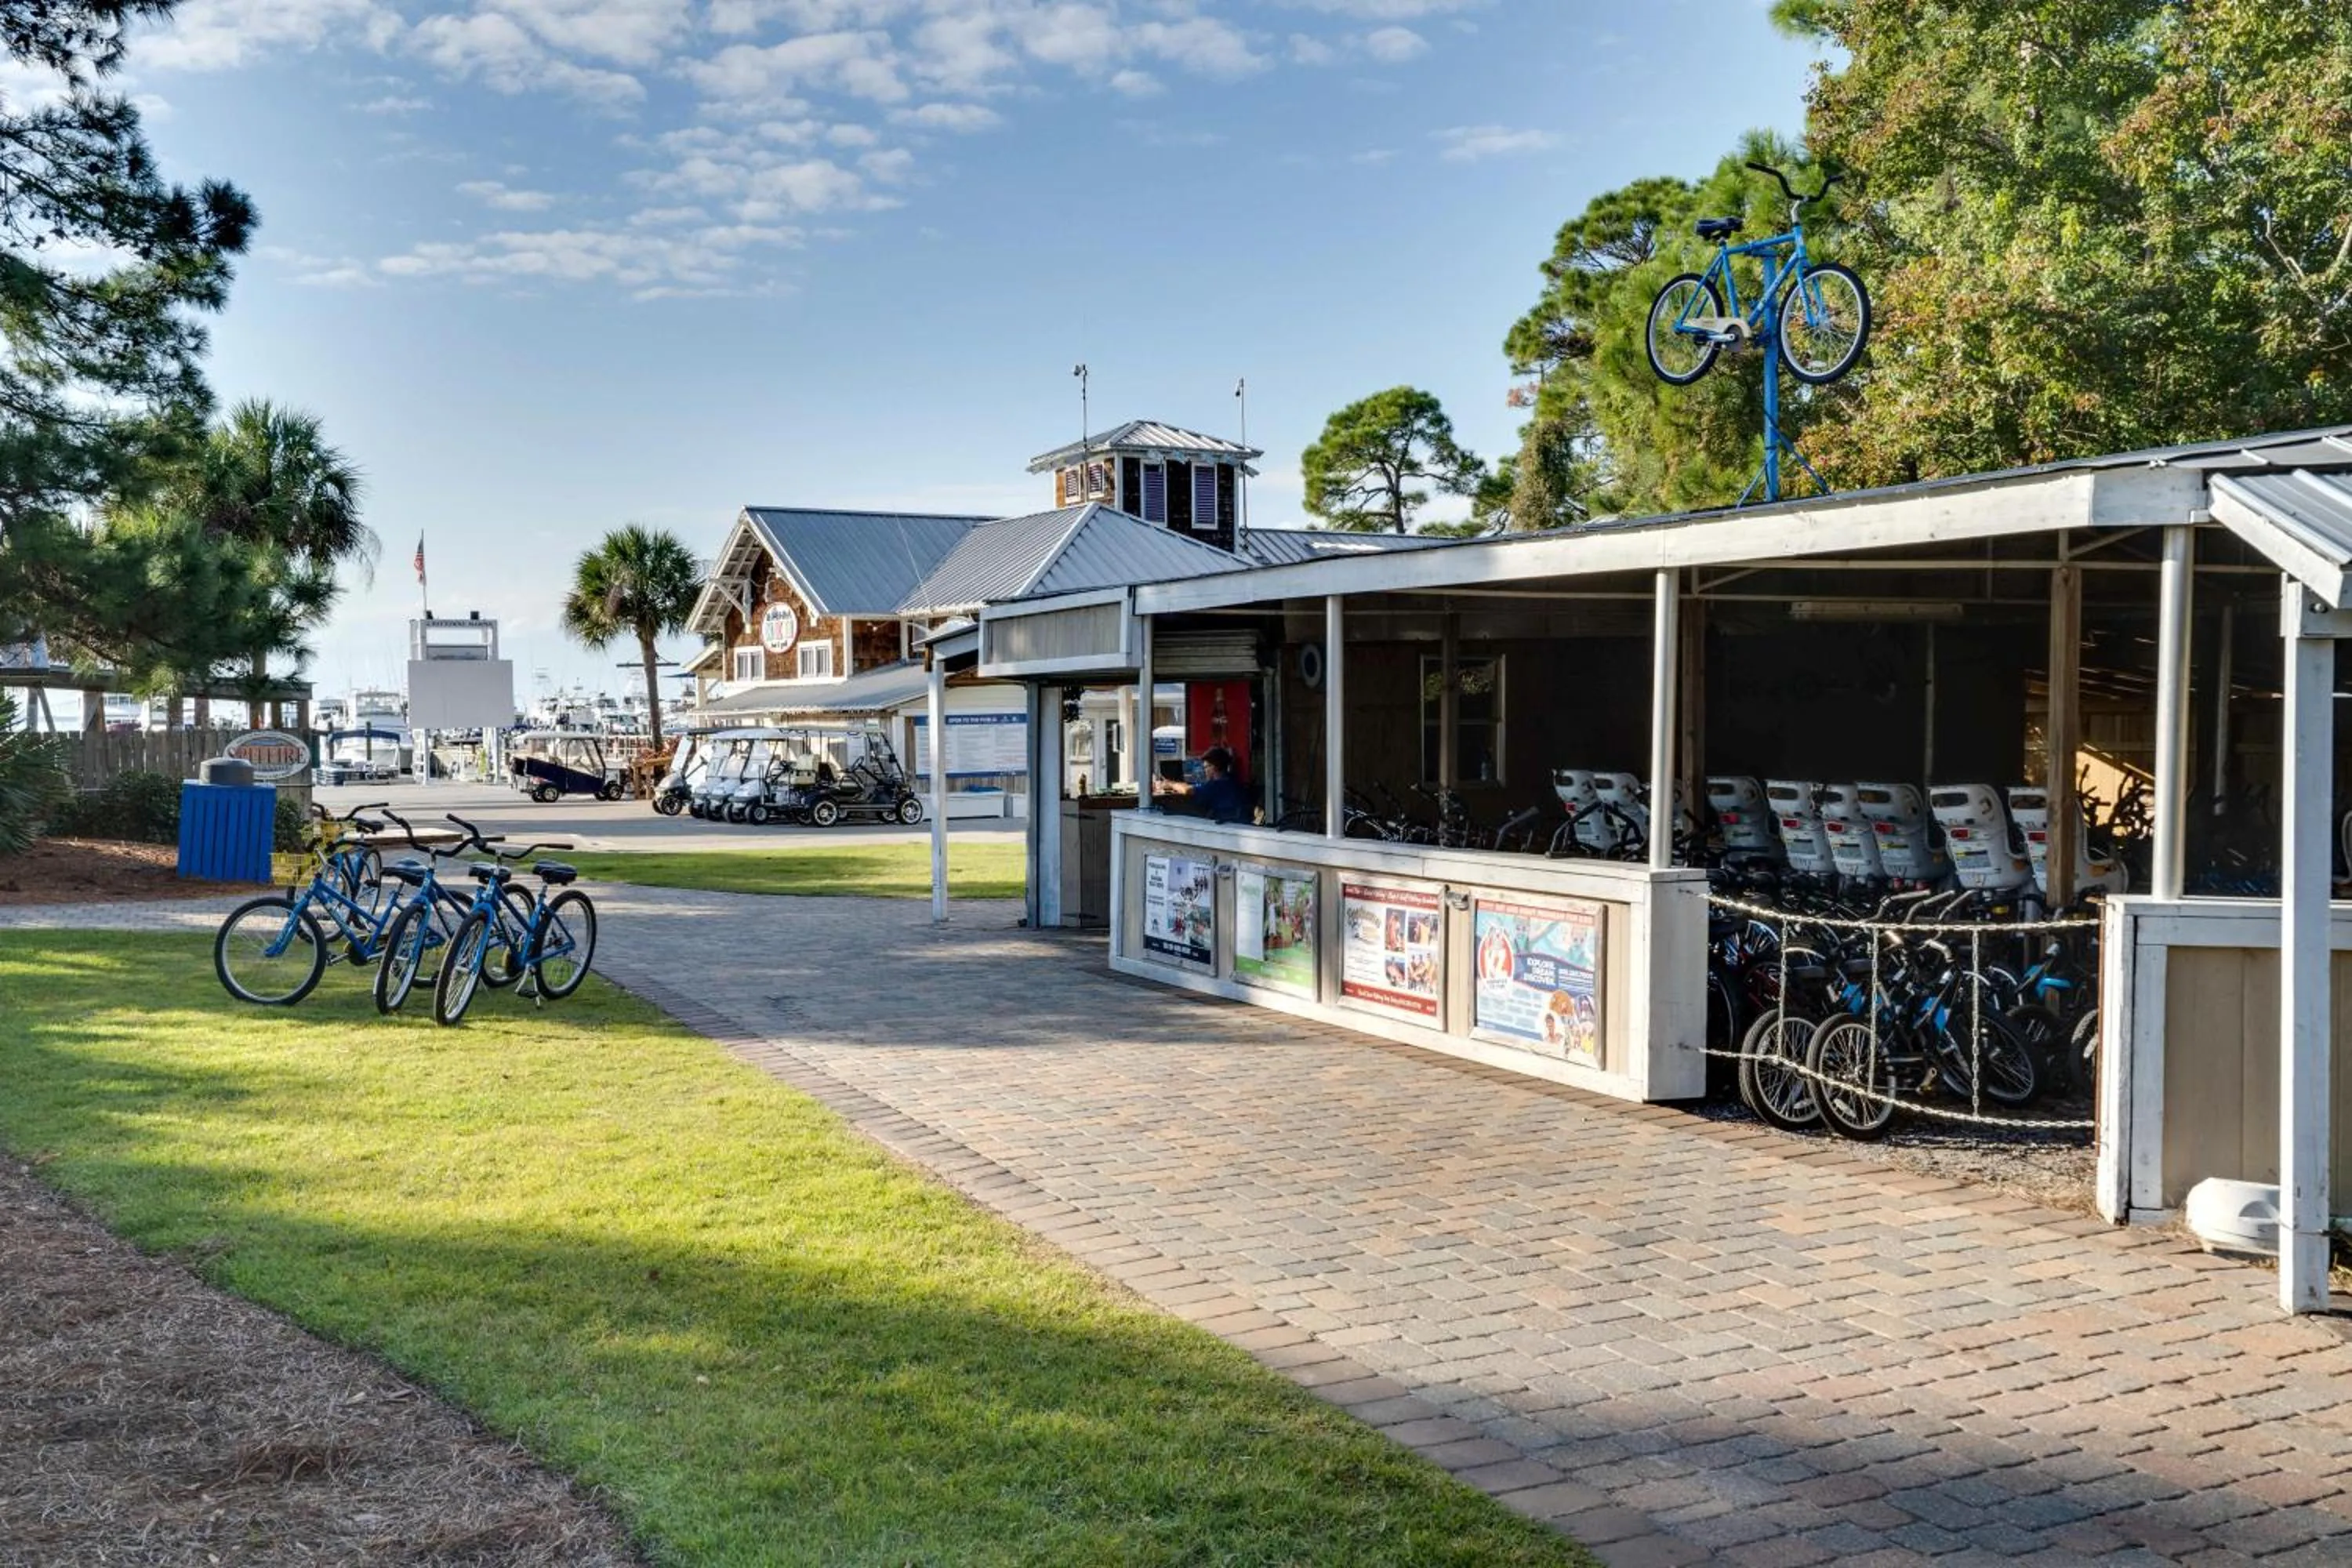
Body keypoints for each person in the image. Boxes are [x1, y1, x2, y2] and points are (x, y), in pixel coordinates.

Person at [1156, 744, 1251, 823]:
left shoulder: (1215, 785)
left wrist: (1170, 784)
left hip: (1225, 827)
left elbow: (1188, 790)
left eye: (1206, 767)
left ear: (1214, 767)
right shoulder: (1233, 780)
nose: (1205, 770)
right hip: (1239, 823)